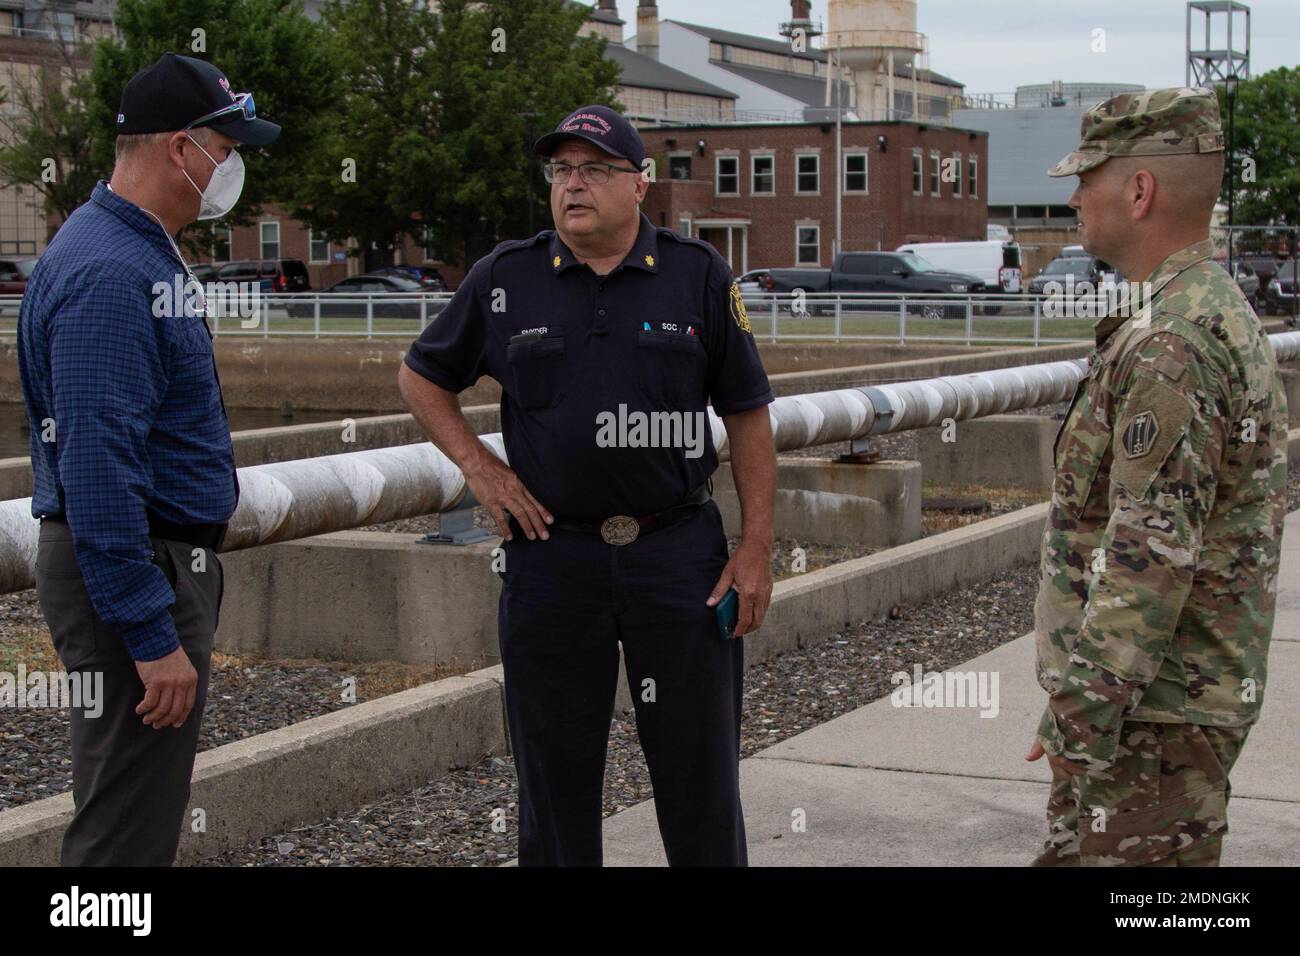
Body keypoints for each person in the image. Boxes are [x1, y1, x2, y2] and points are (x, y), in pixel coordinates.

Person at [398, 104, 776, 866]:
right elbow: (420, 376)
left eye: (595, 170)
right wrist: (482, 468)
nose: (574, 185)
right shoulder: (505, 278)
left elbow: (747, 414)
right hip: (551, 561)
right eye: (561, 171)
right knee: (553, 775)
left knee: (698, 771)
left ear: (640, 185)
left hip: (678, 557)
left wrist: (758, 545)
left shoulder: (696, 275)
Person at [17, 52, 279, 866]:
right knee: (124, 829)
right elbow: (98, 465)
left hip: (152, 562)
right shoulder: (110, 270)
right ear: (180, 148)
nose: (230, 166)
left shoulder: (133, 248)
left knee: (132, 811)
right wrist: (148, 628)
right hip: (138, 570)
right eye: (225, 147)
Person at [1026, 87, 1288, 866]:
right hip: (1156, 709)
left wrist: (1082, 713)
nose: (1074, 196)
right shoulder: (1199, 310)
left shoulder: (1172, 342)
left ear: (1139, 191)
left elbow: (1150, 560)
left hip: (1153, 722)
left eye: (1087, 177)